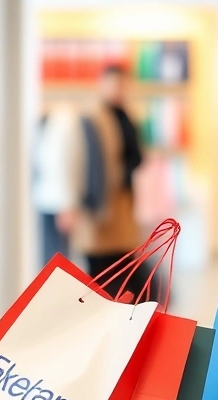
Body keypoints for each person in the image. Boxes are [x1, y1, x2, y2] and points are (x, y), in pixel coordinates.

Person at [60, 64, 150, 298]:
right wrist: (69, 204)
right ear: (103, 84)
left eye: (123, 84)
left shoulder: (125, 114)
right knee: (100, 272)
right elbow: (74, 161)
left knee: (125, 266)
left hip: (122, 204)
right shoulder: (91, 117)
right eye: (114, 83)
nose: (119, 89)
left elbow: (134, 155)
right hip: (98, 207)